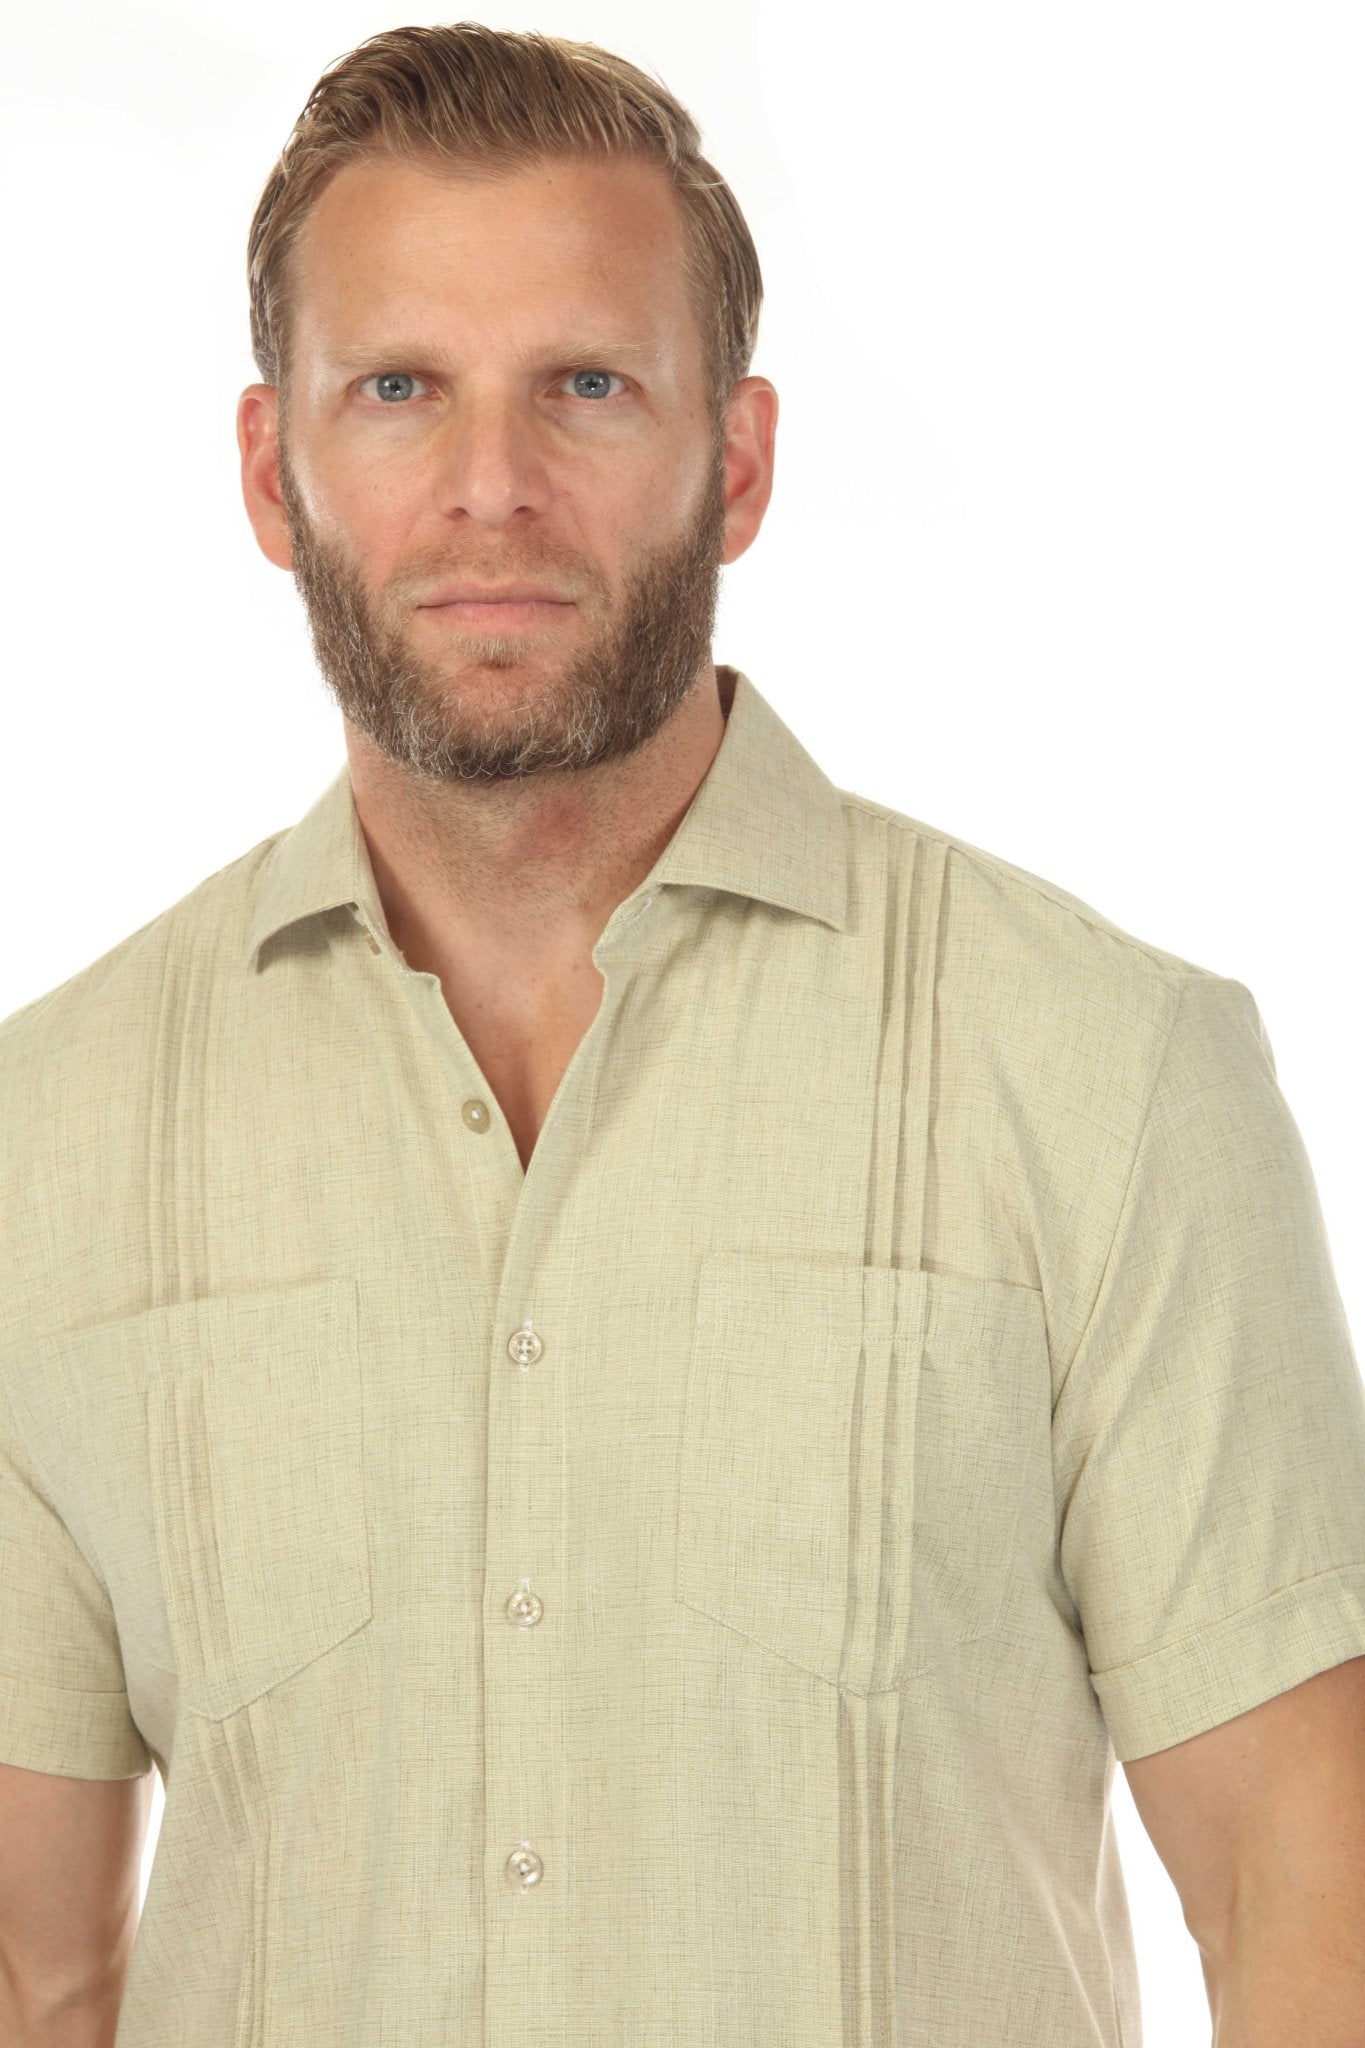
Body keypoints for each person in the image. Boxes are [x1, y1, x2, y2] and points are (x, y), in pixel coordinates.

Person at [2, 24, 1363, 2048]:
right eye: (398, 389)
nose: (490, 487)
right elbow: (36, 1970)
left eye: (586, 385)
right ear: (271, 472)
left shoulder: (1106, 1074)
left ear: (735, 460)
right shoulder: (49, 1135)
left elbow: (1301, 1899)